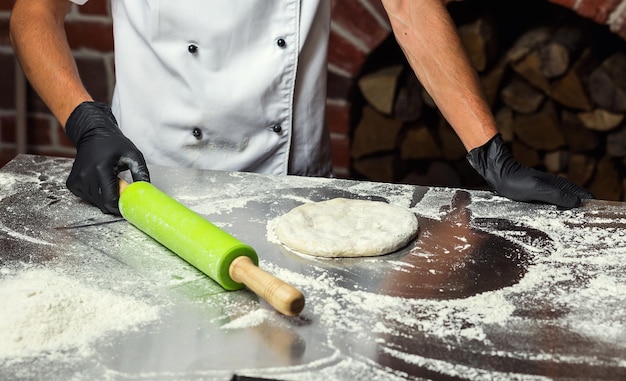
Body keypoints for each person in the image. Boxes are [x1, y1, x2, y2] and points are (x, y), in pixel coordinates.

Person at [9, 0, 593, 215]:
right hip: (151, 183)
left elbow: (410, 8)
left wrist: (488, 152)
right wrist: (86, 122)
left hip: (296, 190)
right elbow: (36, 13)